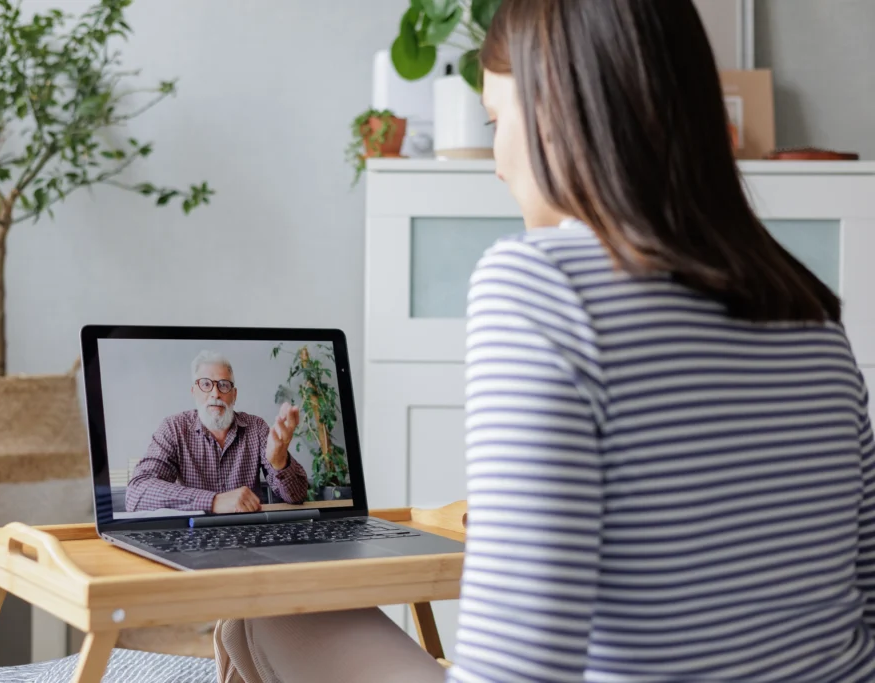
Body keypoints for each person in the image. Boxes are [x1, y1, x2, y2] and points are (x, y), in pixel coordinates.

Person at [212, 0, 875, 681]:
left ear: (560, 113)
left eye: (497, 122)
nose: (497, 160)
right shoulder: (808, 313)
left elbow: (520, 671)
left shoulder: (542, 284)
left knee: (263, 599)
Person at [125, 350, 310, 514]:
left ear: (234, 394)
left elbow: (298, 496)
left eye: (223, 385)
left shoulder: (257, 428)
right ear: (193, 392)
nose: (215, 393)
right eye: (206, 384)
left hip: (249, 536)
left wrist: (280, 461)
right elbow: (136, 494)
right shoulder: (173, 428)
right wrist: (213, 501)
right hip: (193, 538)